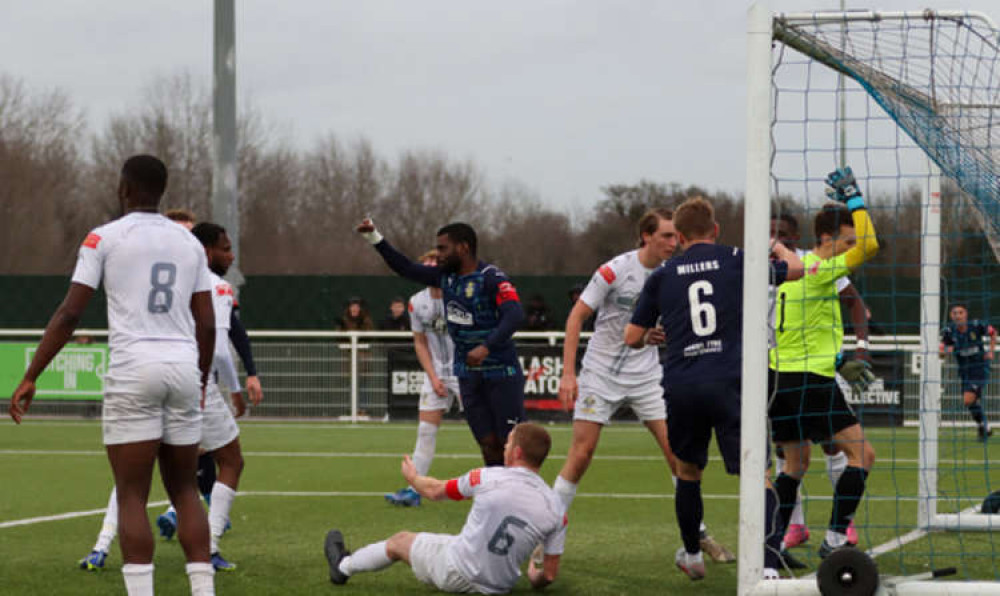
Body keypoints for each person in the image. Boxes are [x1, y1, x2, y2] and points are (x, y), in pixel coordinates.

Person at [9, 155, 217, 595]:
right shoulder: (190, 243)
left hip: (132, 369)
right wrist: (198, 382)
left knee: (131, 495)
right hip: (182, 364)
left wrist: (32, 375)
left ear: (123, 188)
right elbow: (208, 324)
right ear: (162, 191)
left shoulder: (103, 238)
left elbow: (70, 313)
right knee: (184, 489)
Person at [625, 197, 803, 580]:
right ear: (716, 230)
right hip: (731, 381)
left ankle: (692, 554)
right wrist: (778, 246)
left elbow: (631, 336)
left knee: (688, 471)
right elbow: (797, 270)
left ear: (681, 237)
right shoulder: (737, 259)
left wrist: (652, 335)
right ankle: (769, 567)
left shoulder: (662, 274)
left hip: (682, 382)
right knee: (760, 474)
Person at [81, 214, 264, 572]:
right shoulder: (212, 283)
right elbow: (222, 346)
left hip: (138, 374)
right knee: (226, 462)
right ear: (206, 249)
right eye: (226, 250)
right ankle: (207, 550)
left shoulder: (144, 269)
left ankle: (102, 546)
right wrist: (236, 388)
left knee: (133, 471)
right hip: (193, 382)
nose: (231, 256)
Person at [553, 208, 734, 564]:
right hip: (600, 374)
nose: (673, 242)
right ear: (645, 237)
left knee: (678, 457)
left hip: (648, 376)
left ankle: (696, 536)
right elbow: (577, 316)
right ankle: (546, 534)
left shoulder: (675, 273)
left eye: (675, 235)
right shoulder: (614, 271)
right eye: (665, 236)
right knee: (581, 456)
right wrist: (568, 373)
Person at [769, 167, 880, 560]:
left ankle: (771, 546)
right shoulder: (817, 270)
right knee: (862, 455)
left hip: (777, 380)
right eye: (846, 241)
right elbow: (871, 246)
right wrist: (854, 197)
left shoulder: (789, 268)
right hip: (810, 381)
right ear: (828, 240)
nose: (853, 248)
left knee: (794, 466)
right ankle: (835, 540)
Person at [357, 219, 525, 466]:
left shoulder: (491, 277)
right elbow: (405, 268)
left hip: (501, 372)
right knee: (488, 444)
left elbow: (515, 315)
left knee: (511, 445)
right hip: (467, 375)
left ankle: (524, 499)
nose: (438, 254)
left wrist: (486, 346)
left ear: (463, 248)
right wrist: (374, 237)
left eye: (443, 248)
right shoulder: (444, 277)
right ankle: (496, 497)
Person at [324, 422, 564, 593]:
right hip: (500, 586)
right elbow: (549, 575)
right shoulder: (556, 508)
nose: (504, 447)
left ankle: (342, 567)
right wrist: (535, 576)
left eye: (509, 442)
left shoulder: (487, 478)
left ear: (518, 452)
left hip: (457, 571)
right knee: (456, 540)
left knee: (400, 541)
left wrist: (413, 478)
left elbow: (434, 492)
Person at [385, 250, 462, 507]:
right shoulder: (416, 302)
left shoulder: (460, 296)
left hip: (466, 371)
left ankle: (504, 485)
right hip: (436, 372)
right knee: (426, 431)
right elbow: (419, 343)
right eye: (425, 265)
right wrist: (433, 376)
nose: (429, 270)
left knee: (484, 431)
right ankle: (413, 490)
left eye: (434, 265)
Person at [940, 303, 996, 440]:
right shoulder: (948, 331)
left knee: (968, 399)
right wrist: (948, 350)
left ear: (966, 314)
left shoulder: (976, 325)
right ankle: (984, 428)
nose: (958, 315)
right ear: (951, 316)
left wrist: (991, 352)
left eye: (960, 312)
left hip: (979, 368)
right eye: (954, 313)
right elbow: (940, 352)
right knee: (970, 402)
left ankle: (984, 426)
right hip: (964, 371)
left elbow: (993, 332)